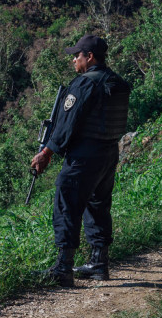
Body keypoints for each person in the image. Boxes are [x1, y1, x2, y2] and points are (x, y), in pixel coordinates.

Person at [30, 34, 131, 286]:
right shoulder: (116, 82)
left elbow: (65, 125)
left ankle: (63, 267)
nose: (74, 59)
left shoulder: (84, 84)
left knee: (67, 201)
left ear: (90, 57)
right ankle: (99, 263)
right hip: (109, 152)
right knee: (98, 204)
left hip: (84, 156)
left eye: (77, 55)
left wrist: (46, 153)